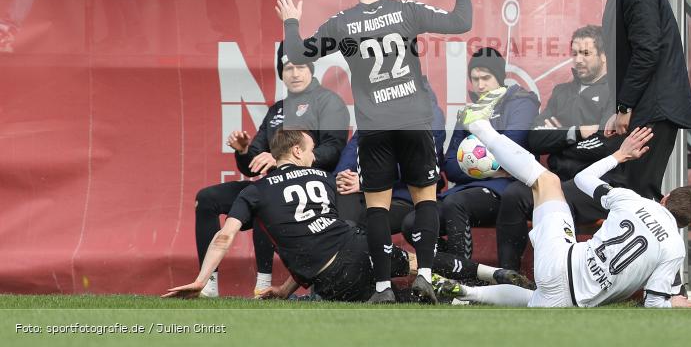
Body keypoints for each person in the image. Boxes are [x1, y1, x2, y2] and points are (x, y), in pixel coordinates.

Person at [275, 0, 472, 304]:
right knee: (424, 197)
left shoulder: (342, 22)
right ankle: (424, 276)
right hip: (413, 121)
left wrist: (291, 21)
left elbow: (299, 53)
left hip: (375, 126)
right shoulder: (407, 10)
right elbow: (461, 21)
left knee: (376, 206)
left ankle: (383, 288)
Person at [166, 129, 533, 302]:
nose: (313, 157)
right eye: (310, 150)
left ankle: (467, 297)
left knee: (405, 296)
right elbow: (319, 232)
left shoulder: (254, 191)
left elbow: (227, 236)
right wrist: (284, 289)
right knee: (413, 263)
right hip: (355, 250)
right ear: (295, 151)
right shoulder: (321, 178)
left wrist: (202, 278)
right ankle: (492, 275)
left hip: (329, 279)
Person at [435, 91, 691, 308]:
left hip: (562, 260)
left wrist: (620, 155)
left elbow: (583, 180)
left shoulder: (636, 202)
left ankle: (477, 124)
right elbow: (655, 303)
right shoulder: (675, 249)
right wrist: (677, 302)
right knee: (536, 299)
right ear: (686, 225)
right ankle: (468, 294)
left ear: (665, 198)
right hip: (575, 301)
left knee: (547, 181)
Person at [194, 43, 350, 297]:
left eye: (300, 67)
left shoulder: (329, 102)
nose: (295, 73)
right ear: (281, 73)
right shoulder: (277, 110)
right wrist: (245, 151)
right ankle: (207, 285)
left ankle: (263, 283)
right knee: (207, 198)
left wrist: (284, 161)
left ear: (311, 69)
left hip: (312, 188)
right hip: (273, 185)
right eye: (288, 68)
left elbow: (333, 150)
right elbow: (254, 164)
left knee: (267, 201)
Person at [582, 0, 691, 201]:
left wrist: (625, 106)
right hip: (647, 105)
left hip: (653, 108)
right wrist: (621, 108)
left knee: (638, 192)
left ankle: (658, 245)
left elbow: (646, 52)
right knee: (629, 189)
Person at [496, 24, 625, 271]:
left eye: (586, 54)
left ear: (604, 56)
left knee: (563, 203)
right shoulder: (561, 92)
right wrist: (576, 132)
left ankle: (566, 278)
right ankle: (508, 275)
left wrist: (559, 139)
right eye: (575, 53)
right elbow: (535, 140)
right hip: (557, 179)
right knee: (514, 195)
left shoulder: (616, 93)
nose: (578, 60)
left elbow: (607, 145)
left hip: (597, 183)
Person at [403, 47, 538, 259]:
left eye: (486, 78)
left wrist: (484, 168)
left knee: (456, 204)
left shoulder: (521, 101)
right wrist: (492, 171)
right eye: (475, 79)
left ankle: (466, 277)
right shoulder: (469, 112)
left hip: (507, 190)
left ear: (500, 78)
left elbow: (513, 146)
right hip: (469, 188)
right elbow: (450, 164)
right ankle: (452, 265)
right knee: (412, 223)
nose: (480, 85)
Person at [335, 76, 445, 234]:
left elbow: (418, 162)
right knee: (343, 193)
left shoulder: (430, 113)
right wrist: (343, 174)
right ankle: (346, 246)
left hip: (407, 196)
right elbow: (355, 146)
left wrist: (367, 180)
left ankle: (352, 247)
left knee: (367, 220)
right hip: (369, 190)